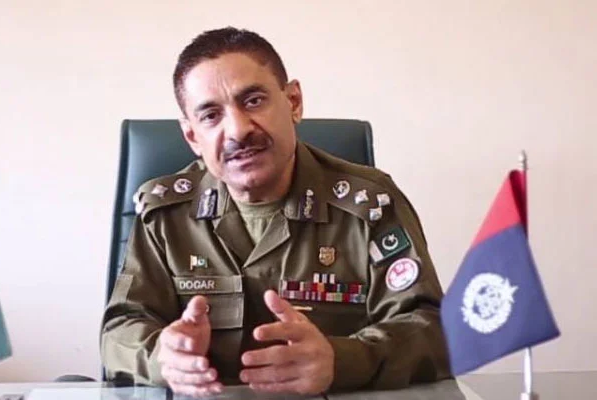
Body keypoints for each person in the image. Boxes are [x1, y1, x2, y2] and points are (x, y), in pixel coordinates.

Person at [101, 27, 450, 396]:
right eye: (211, 115)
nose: (237, 131)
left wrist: (342, 359)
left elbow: (430, 330)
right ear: (191, 137)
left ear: (294, 102)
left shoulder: (369, 206)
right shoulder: (165, 215)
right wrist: (162, 356)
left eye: (253, 101)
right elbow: (119, 331)